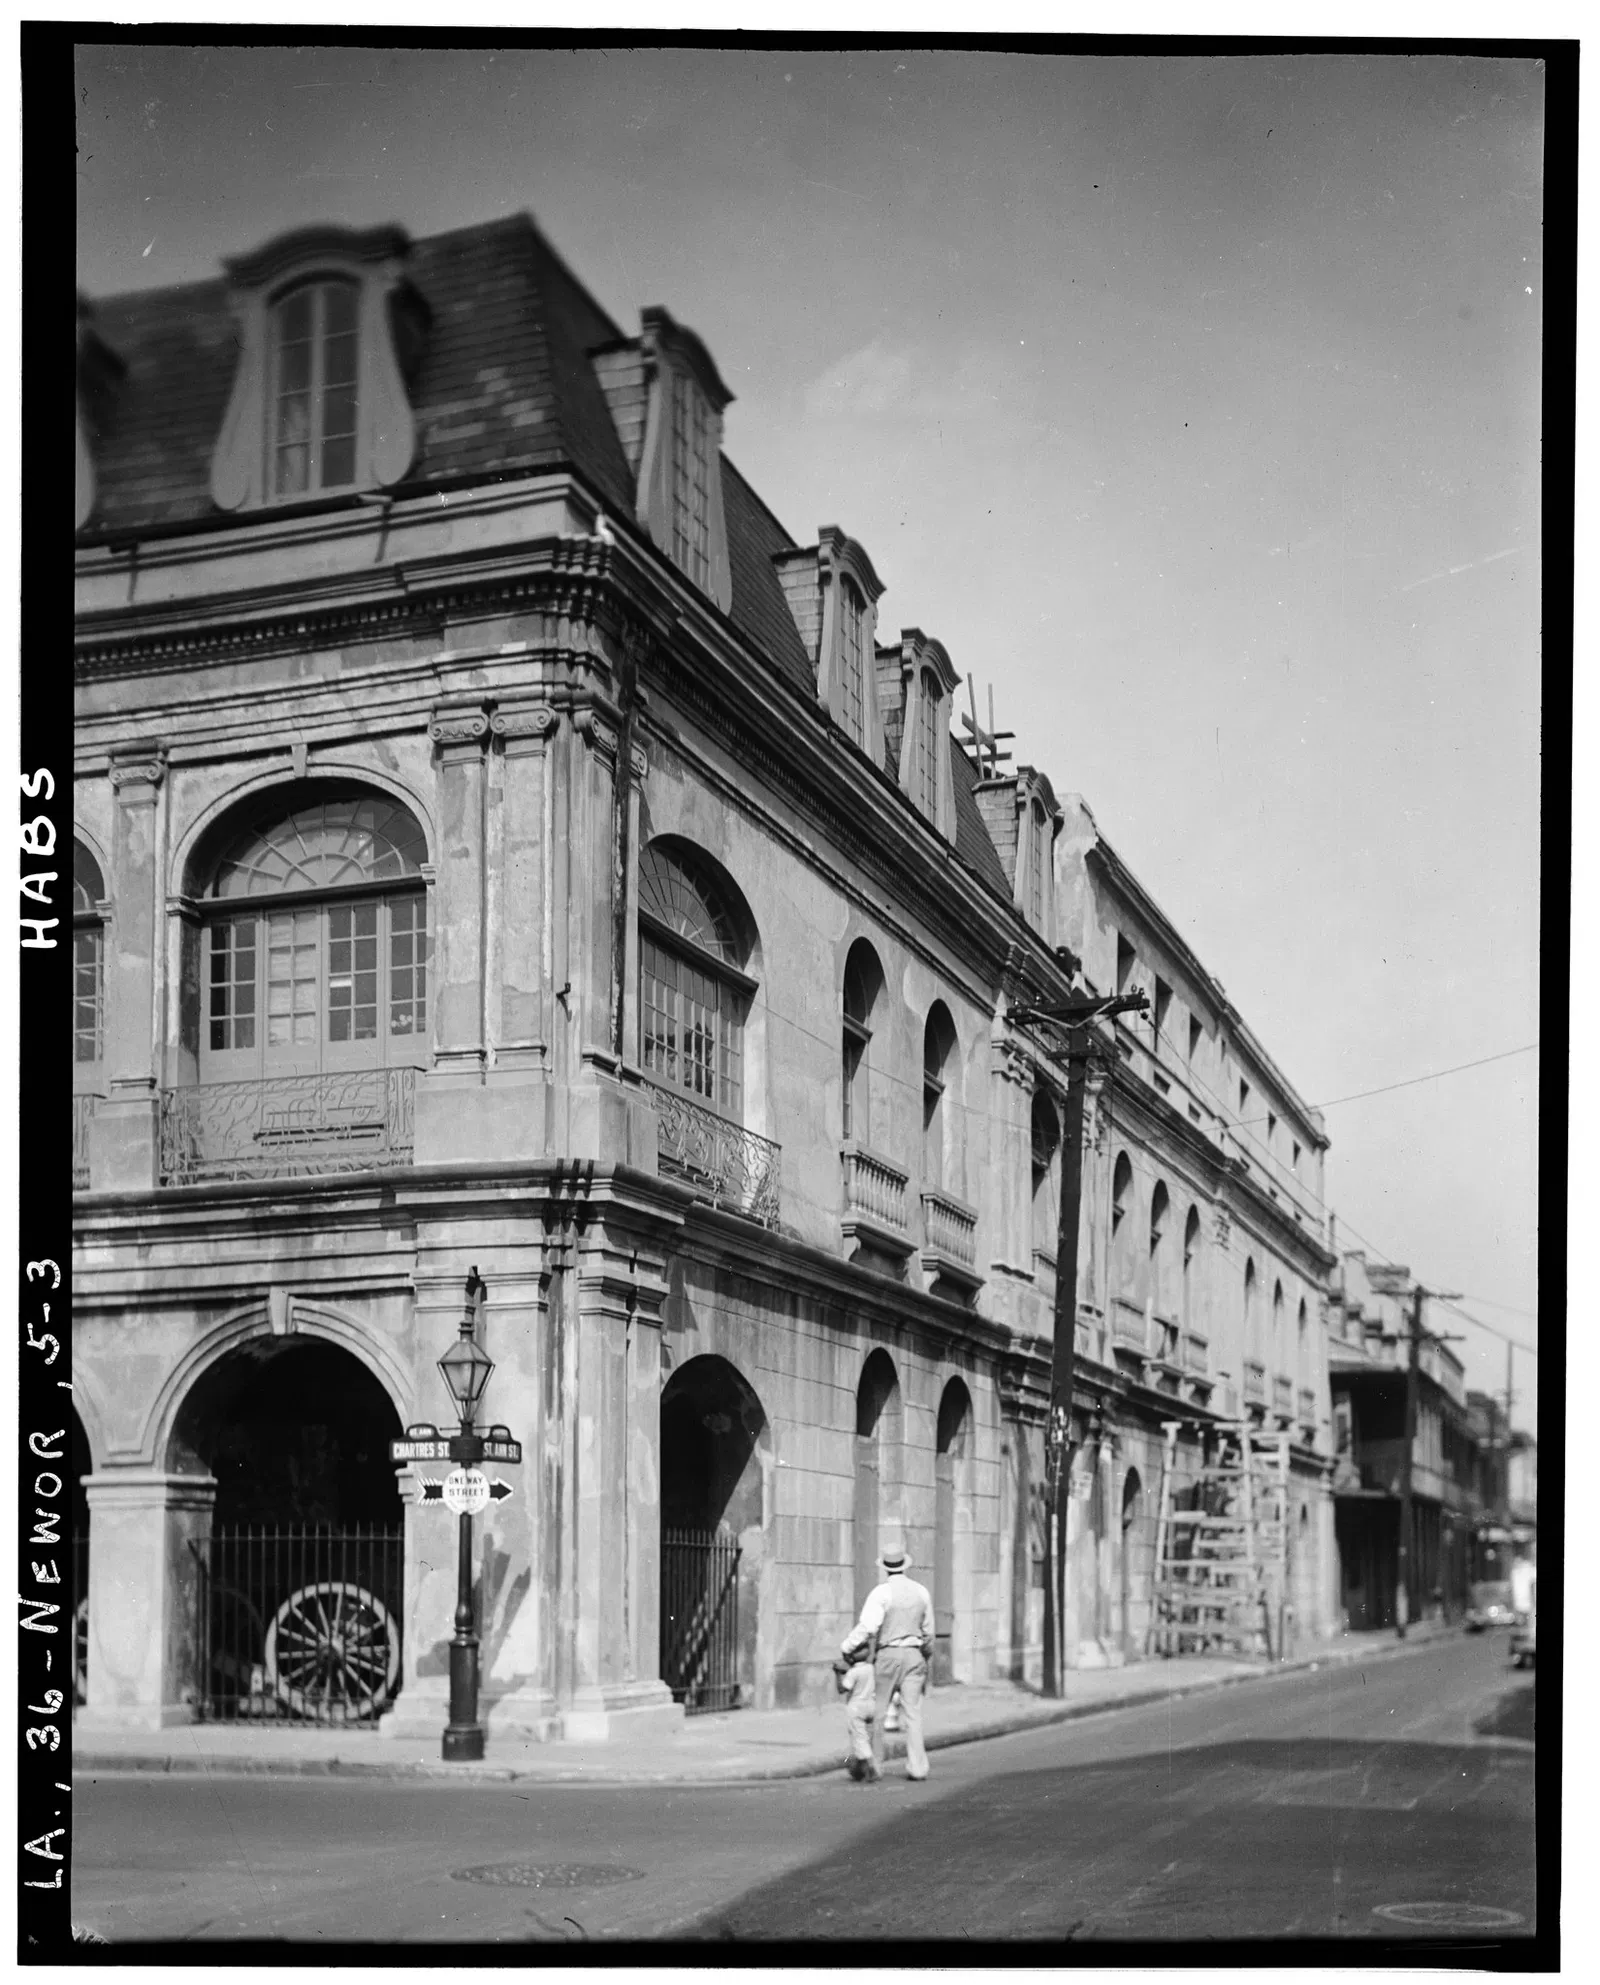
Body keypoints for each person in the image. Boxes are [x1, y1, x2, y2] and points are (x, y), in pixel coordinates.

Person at [840, 1541, 934, 1782]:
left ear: (885, 1567)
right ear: (904, 1565)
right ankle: (918, 1767)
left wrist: (847, 1646)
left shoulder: (881, 1593)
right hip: (914, 1655)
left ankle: (875, 1765)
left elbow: (868, 1626)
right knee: (912, 1713)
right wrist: (924, 1653)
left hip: (888, 1654)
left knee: (878, 1712)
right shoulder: (921, 1592)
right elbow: (928, 1632)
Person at [832, 1643, 877, 1781]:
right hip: (871, 1705)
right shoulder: (870, 1668)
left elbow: (842, 1689)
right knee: (866, 1737)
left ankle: (870, 1767)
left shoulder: (853, 1672)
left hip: (856, 1707)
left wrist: (838, 1674)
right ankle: (857, 1769)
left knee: (859, 1739)